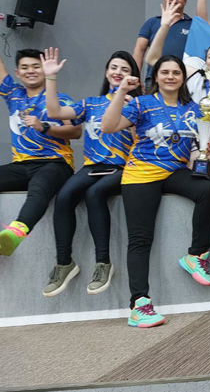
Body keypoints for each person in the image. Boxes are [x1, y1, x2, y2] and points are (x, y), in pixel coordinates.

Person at [101, 55, 210, 328]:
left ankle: (195, 255)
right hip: (141, 173)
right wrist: (121, 92)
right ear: (156, 77)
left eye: (175, 72)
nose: (170, 76)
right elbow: (107, 127)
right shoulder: (142, 103)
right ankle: (139, 304)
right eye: (164, 72)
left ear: (182, 78)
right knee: (141, 240)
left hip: (174, 171)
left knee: (207, 191)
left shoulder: (192, 108)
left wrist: (206, 149)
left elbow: (195, 146)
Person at [40, 49, 140, 296]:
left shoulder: (136, 104)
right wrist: (50, 78)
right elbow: (55, 113)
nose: (118, 73)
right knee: (64, 197)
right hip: (92, 167)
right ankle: (64, 263)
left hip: (121, 167)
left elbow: (142, 140)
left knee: (94, 195)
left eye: (125, 70)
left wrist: (132, 108)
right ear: (107, 72)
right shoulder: (90, 103)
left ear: (132, 78)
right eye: (114, 68)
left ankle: (103, 263)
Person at [0, 49, 80, 256]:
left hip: (55, 163)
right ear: (17, 73)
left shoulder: (60, 98)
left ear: (45, 70)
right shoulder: (13, 95)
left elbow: (76, 131)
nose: (31, 71)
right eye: (25, 67)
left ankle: (15, 234)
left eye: (36, 66)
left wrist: (44, 127)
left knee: (39, 189)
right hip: (21, 165)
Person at [146, 1, 210, 163]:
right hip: (171, 138)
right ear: (205, 62)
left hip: (199, 147)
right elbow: (152, 59)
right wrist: (164, 27)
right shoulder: (191, 73)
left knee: (198, 173)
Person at [133, 0, 192, 88]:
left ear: (185, 1)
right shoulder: (152, 22)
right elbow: (139, 49)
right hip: (153, 80)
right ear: (164, 0)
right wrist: (135, 77)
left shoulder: (193, 24)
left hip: (183, 81)